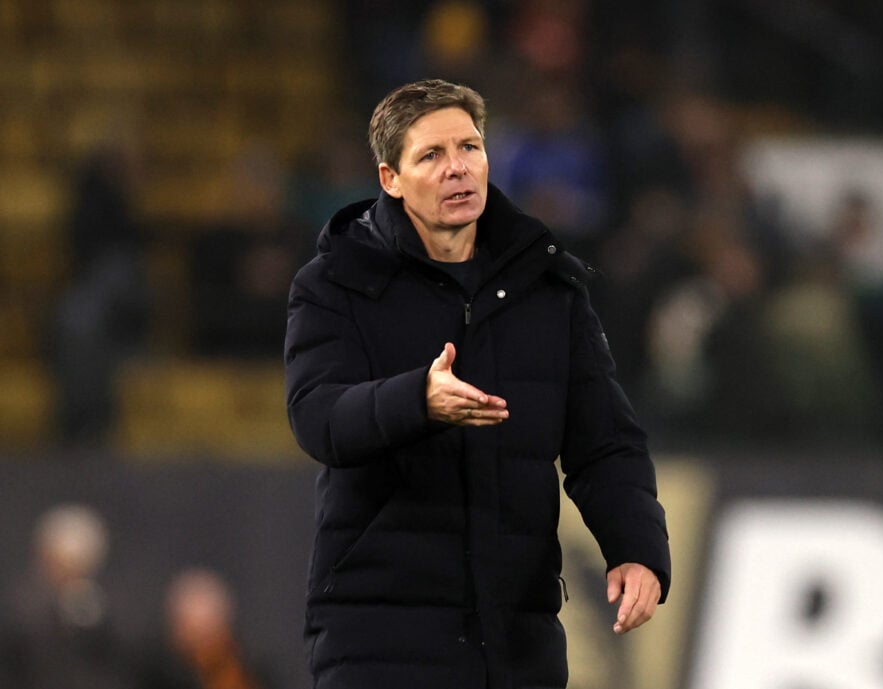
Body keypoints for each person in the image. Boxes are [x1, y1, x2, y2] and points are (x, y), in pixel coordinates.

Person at [284, 79, 671, 689]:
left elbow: (606, 443)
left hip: (516, 635)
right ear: (390, 179)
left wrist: (637, 548)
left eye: (469, 147)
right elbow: (318, 418)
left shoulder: (549, 288)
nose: (457, 168)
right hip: (379, 634)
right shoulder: (335, 283)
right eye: (432, 155)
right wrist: (419, 399)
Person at [0, 504, 130, 689]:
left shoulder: (103, 609)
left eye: (75, 565)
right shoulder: (21, 610)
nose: (66, 573)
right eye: (60, 562)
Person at [133, 568, 272, 689]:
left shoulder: (247, 675)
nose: (201, 650)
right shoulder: (157, 677)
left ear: (224, 632)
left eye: (206, 635)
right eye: (191, 632)